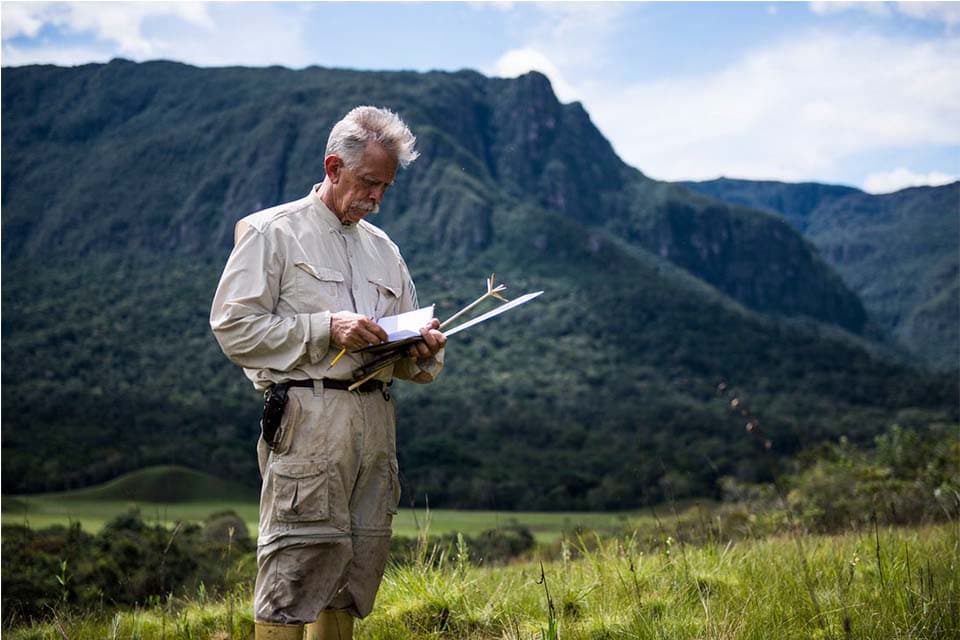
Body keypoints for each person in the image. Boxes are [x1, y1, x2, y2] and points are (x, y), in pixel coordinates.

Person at [210, 106, 446, 640]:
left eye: (384, 187)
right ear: (333, 166)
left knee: (354, 569)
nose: (375, 198)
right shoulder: (273, 233)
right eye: (367, 182)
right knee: (296, 568)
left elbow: (413, 364)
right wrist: (325, 328)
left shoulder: (385, 249)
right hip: (307, 422)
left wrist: (424, 349)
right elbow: (233, 329)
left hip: (375, 427)